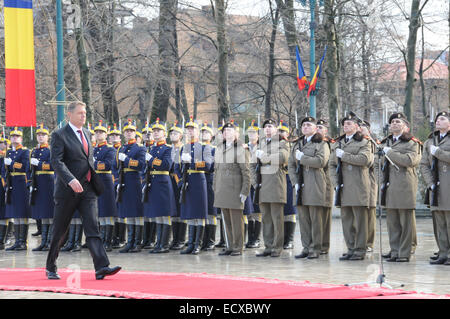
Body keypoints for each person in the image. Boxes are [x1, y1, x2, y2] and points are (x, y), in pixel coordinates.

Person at [46, 101, 121, 280]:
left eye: (85, 112)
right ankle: (51, 266)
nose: (83, 116)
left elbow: (89, 160)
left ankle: (101, 267)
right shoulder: (59, 135)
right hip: (67, 190)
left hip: (87, 189)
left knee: (93, 228)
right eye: (80, 113)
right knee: (59, 231)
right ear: (69, 115)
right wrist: (70, 179)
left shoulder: (87, 133)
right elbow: (57, 161)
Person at [379, 113, 421, 263]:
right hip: (389, 185)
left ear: (405, 126)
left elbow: (411, 160)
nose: (394, 124)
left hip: (404, 184)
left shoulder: (411, 143)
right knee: (392, 221)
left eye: (398, 122)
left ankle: (404, 252)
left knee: (405, 221)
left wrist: (391, 152)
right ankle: (395, 250)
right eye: (392, 122)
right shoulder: (387, 142)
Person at [330, 114, 373, 261]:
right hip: (343, 186)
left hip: (359, 185)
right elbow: (332, 164)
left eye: (349, 123)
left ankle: (360, 250)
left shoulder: (364, 141)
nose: (346, 126)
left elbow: (365, 160)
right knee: (347, 220)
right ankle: (350, 248)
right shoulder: (338, 142)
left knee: (360, 220)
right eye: (345, 124)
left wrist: (345, 156)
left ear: (356, 126)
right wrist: (335, 184)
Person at [289, 117, 330, 260]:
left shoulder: (321, 144)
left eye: (309, 125)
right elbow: (291, 164)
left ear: (315, 128)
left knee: (315, 219)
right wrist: (294, 182)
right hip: (301, 184)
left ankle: (316, 248)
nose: (305, 127)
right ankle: (306, 247)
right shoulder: (297, 144)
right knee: (304, 219)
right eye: (303, 125)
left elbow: (320, 161)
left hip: (315, 182)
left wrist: (303, 158)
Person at [253, 118, 289, 258]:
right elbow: (252, 164)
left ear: (275, 129)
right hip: (262, 184)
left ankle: (277, 247)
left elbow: (283, 157)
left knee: (276, 218)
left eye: (270, 126)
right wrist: (255, 182)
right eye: (265, 127)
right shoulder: (261, 143)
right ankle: (268, 246)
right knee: (266, 218)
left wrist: (266, 157)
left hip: (275, 183)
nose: (267, 129)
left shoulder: (282, 142)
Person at [213, 121, 250, 256]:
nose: (226, 132)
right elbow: (216, 170)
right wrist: (215, 187)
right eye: (224, 131)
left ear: (236, 134)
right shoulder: (219, 148)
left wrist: (245, 190)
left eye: (230, 130)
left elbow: (246, 171)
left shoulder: (241, 148)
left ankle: (238, 247)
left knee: (236, 220)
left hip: (235, 189)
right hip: (222, 188)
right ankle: (229, 245)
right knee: (226, 219)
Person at [178, 117, 213, 255]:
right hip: (188, 181)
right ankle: (191, 243)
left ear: (198, 132)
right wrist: (180, 180)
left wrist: (192, 162)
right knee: (191, 214)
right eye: (188, 130)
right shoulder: (184, 148)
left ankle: (197, 244)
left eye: (193, 129)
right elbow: (177, 166)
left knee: (199, 214)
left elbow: (208, 165)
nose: (190, 132)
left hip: (199, 180)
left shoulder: (205, 147)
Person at [420, 111, 450, 264]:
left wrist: (439, 152)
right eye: (437, 119)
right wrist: (430, 183)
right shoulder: (430, 141)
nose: (438, 121)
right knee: (440, 223)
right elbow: (424, 164)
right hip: (435, 187)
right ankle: (443, 253)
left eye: (443, 119)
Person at [143, 118, 176, 253]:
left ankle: (165, 243)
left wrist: (151, 160)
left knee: (165, 214)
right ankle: (158, 243)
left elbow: (167, 165)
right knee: (157, 214)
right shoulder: (152, 148)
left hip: (163, 182)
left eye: (159, 131)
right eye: (154, 131)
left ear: (165, 134)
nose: (156, 133)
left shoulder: (168, 148)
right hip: (153, 182)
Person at [117, 119, 146, 253]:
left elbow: (141, 164)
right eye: (127, 131)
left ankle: (137, 242)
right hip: (125, 181)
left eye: (131, 131)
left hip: (135, 181)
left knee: (136, 212)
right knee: (128, 212)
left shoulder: (140, 148)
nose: (129, 133)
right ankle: (130, 241)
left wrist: (127, 160)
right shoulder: (122, 148)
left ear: (135, 133)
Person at [4, 127, 31, 251]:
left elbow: (25, 166)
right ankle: (17, 241)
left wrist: (12, 163)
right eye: (13, 136)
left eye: (17, 136)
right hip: (12, 183)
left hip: (20, 182)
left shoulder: (25, 151)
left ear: (21, 138)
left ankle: (22, 241)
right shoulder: (9, 152)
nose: (15, 138)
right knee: (15, 213)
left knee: (22, 212)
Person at [30, 124, 55, 252]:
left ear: (47, 137)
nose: (40, 137)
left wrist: (39, 164)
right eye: (39, 135)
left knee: (49, 213)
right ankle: (44, 242)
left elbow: (53, 166)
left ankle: (50, 242)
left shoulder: (50, 150)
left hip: (48, 183)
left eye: (43, 135)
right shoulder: (34, 151)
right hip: (38, 183)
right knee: (43, 214)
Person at [93, 121, 117, 252]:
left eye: (101, 132)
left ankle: (108, 241)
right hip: (95, 180)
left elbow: (108, 165)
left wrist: (94, 164)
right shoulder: (93, 149)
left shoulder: (110, 149)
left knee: (107, 211)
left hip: (105, 180)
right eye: (96, 133)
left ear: (106, 135)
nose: (98, 134)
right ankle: (102, 239)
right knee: (100, 212)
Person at [359, 120, 378, 253]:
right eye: (359, 127)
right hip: (358, 182)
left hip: (370, 181)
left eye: (363, 128)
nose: (360, 129)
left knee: (370, 212)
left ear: (369, 131)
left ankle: (369, 242)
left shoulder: (373, 144)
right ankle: (359, 241)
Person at [315, 119, 333, 254]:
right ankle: (317, 243)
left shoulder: (329, 144)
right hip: (316, 182)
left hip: (327, 181)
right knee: (317, 215)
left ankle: (324, 245)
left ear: (326, 130)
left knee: (325, 215)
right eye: (317, 127)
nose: (318, 130)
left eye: (320, 128)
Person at [278, 121, 297, 250]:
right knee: (279, 211)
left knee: (289, 211)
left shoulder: (290, 145)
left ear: (288, 133)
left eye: (283, 131)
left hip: (288, 177)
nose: (280, 134)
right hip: (276, 179)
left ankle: (289, 240)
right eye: (278, 131)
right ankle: (280, 239)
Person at [243, 120, 262, 249]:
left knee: (258, 211)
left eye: (254, 132)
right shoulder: (244, 147)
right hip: (247, 182)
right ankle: (250, 239)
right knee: (249, 211)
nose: (251, 134)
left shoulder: (262, 148)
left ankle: (256, 238)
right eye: (249, 132)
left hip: (258, 181)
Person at [168, 121, 187, 250]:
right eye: (171, 133)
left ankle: (181, 239)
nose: (173, 135)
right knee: (173, 212)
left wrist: (179, 180)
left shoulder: (183, 148)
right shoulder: (168, 149)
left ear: (181, 136)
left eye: (176, 133)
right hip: (169, 182)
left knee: (182, 210)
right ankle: (174, 239)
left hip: (179, 181)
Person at [200, 122, 218, 251]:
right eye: (202, 132)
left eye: (206, 132)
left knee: (211, 212)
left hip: (209, 180)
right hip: (199, 182)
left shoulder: (213, 149)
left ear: (211, 136)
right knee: (202, 211)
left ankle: (210, 240)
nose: (204, 134)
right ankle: (202, 239)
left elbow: (210, 166)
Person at [108, 124, 126, 249]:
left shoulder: (121, 149)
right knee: (113, 211)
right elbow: (114, 167)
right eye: (112, 135)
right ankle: (114, 236)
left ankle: (121, 237)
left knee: (121, 211)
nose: (114, 137)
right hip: (113, 182)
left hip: (121, 181)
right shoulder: (114, 149)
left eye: (117, 135)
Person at [0, 136, 10, 250]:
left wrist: (5, 184)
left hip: (2, 184)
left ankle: (3, 238)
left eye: (3, 142)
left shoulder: (6, 155)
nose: (1, 144)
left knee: (4, 211)